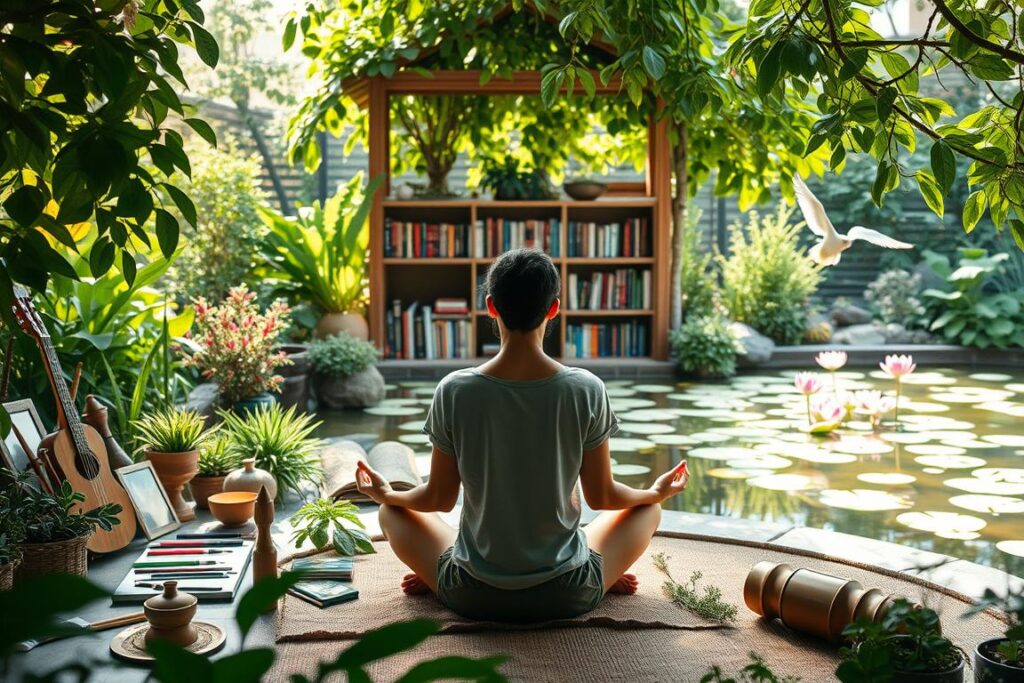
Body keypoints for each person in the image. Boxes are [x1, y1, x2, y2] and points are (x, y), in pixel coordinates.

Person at [355, 248, 690, 622]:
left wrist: (386, 493)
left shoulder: (454, 390)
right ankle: (602, 574)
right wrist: (655, 492)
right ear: (553, 309)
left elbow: (439, 498)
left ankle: (439, 579)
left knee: (391, 512)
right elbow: (602, 496)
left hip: (472, 594)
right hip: (568, 592)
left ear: (491, 306)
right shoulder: (586, 389)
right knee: (648, 509)